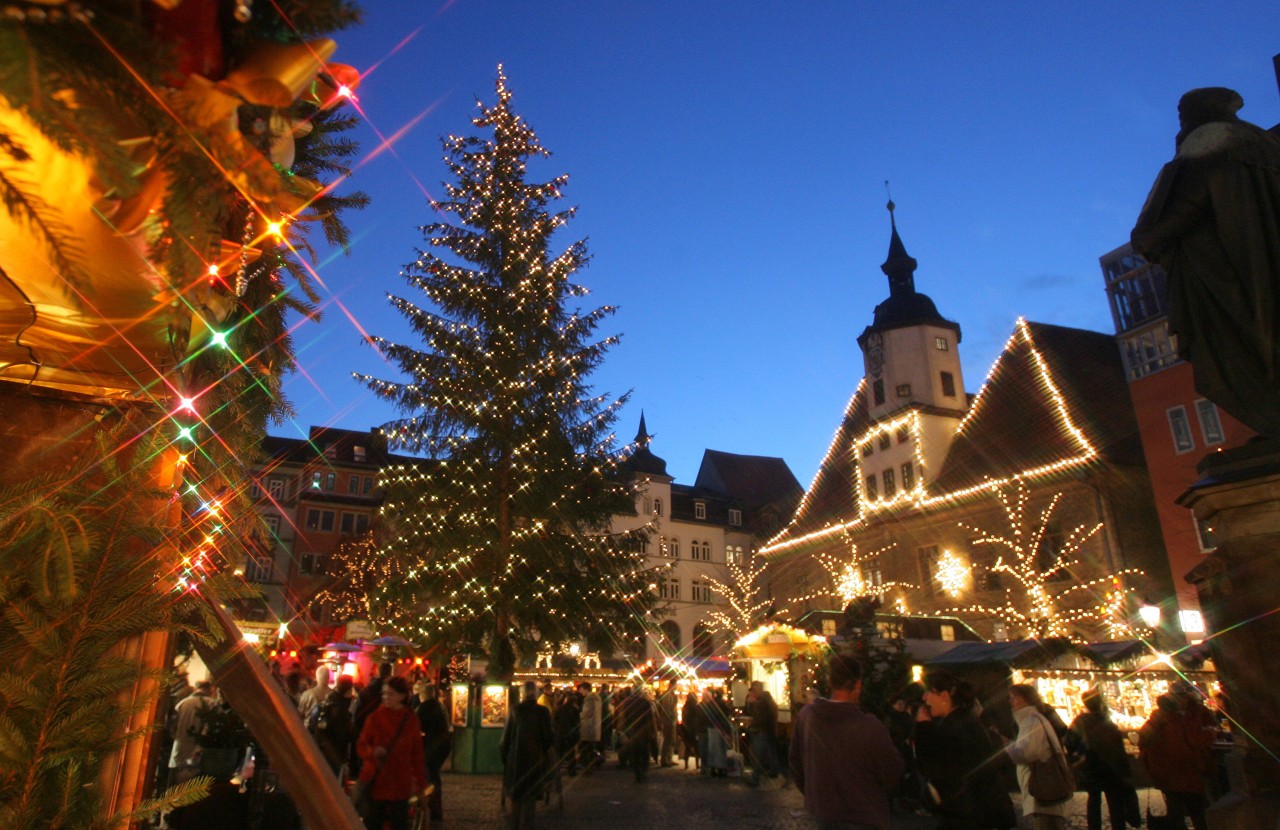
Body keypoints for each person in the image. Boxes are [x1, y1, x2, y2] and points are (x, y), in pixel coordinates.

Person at [1131, 86, 1280, 438]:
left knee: (1237, 350)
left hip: (1224, 275)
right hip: (1262, 268)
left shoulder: (1209, 146)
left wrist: (1150, 238)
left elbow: (1189, 205)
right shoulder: (1264, 147)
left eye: (1183, 115)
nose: (1180, 123)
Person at [789, 653, 904, 829]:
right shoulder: (870, 727)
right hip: (863, 816)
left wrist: (816, 794)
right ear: (858, 684)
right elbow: (892, 773)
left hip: (824, 814)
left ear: (830, 682)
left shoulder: (807, 717)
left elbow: (796, 763)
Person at [913, 672, 1017, 830]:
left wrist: (923, 729)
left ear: (944, 696)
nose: (925, 698)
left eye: (929, 692)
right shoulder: (967, 721)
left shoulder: (953, 728)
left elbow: (932, 768)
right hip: (985, 813)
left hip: (969, 816)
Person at [1139, 683, 1216, 830]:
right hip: (1172, 772)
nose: (1181, 699)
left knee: (1197, 812)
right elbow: (1145, 740)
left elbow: (1210, 732)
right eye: (1178, 696)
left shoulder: (1199, 712)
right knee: (1179, 813)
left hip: (1193, 770)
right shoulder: (1160, 716)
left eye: (1183, 695)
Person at [355, 676, 427, 830]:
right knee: (373, 822)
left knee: (398, 822)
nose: (386, 698)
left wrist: (421, 784)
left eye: (391, 694)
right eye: (384, 694)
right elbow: (361, 745)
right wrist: (371, 751)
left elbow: (417, 754)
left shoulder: (410, 720)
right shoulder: (374, 718)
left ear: (402, 696)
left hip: (399, 782)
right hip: (377, 779)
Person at [1069, 691, 1138, 830]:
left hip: (1090, 767)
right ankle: (1118, 827)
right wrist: (1124, 770)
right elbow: (1117, 747)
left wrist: (1079, 759)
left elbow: (1070, 742)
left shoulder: (1080, 721)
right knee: (1115, 803)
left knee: (1094, 801)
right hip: (1111, 769)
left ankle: (1094, 827)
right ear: (1100, 703)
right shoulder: (1107, 721)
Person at [1004, 685, 1070, 830]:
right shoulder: (1032, 720)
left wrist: (1008, 747)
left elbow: (1027, 753)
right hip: (1042, 791)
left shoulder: (1031, 721)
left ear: (1026, 699)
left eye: (1014, 697)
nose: (1011, 701)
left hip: (1041, 791)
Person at [502, 681, 555, 830]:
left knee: (516, 799)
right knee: (530, 800)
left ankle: (514, 826)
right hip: (535, 761)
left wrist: (506, 759)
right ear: (535, 693)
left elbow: (505, 740)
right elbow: (549, 737)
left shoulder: (514, 710)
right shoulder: (543, 712)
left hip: (516, 761)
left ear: (522, 694)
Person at [415, 681, 450, 823]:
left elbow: (417, 729)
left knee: (430, 776)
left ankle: (431, 808)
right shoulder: (439, 707)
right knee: (434, 775)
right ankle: (436, 808)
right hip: (441, 747)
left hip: (430, 748)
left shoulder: (422, 709)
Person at [168, 680, 215, 783]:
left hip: (179, 745)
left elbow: (172, 725)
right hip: (197, 749)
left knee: (175, 781)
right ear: (210, 689)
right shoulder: (210, 704)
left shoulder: (183, 703)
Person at [315, 675, 357, 776]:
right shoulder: (341, 709)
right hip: (336, 752)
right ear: (349, 689)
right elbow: (344, 733)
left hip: (323, 748)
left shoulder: (327, 701)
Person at [744, 680, 780, 787]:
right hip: (766, 731)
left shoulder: (762, 702)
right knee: (768, 752)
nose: (752, 694)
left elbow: (761, 717)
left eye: (753, 691)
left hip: (761, 731)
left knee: (757, 755)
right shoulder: (765, 700)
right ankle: (773, 771)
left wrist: (752, 706)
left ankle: (755, 778)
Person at [553, 687, 581, 775]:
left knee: (559, 753)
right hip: (571, 734)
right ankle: (571, 771)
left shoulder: (560, 709)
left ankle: (556, 770)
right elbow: (578, 722)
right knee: (571, 753)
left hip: (561, 733)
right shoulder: (575, 709)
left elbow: (555, 720)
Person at [577, 682, 602, 771]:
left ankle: (588, 765)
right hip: (594, 727)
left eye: (581, 689)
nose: (580, 691)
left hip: (588, 727)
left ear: (586, 689)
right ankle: (595, 762)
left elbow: (586, 713)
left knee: (586, 748)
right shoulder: (597, 698)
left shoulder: (589, 699)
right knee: (590, 747)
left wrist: (578, 714)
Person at [656, 680, 679, 767]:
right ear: (671, 685)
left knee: (671, 740)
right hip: (668, 721)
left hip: (671, 720)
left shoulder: (672, 695)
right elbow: (667, 709)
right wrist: (671, 719)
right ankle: (665, 759)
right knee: (668, 740)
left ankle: (669, 757)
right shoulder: (667, 695)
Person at [679, 690, 702, 770]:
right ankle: (697, 764)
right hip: (694, 729)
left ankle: (686, 764)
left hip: (687, 729)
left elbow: (683, 718)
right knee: (696, 747)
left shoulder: (685, 707)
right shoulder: (696, 707)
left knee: (687, 747)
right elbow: (697, 718)